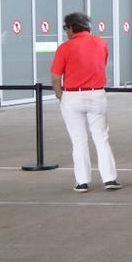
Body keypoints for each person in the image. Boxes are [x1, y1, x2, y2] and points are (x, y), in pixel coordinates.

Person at [51, 13, 121, 193]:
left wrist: (61, 96)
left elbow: (55, 77)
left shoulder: (65, 48)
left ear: (72, 28)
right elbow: (101, 64)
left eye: (66, 28)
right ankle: (109, 179)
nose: (66, 32)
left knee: (79, 141)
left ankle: (82, 181)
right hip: (97, 94)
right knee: (101, 138)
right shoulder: (101, 43)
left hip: (72, 96)